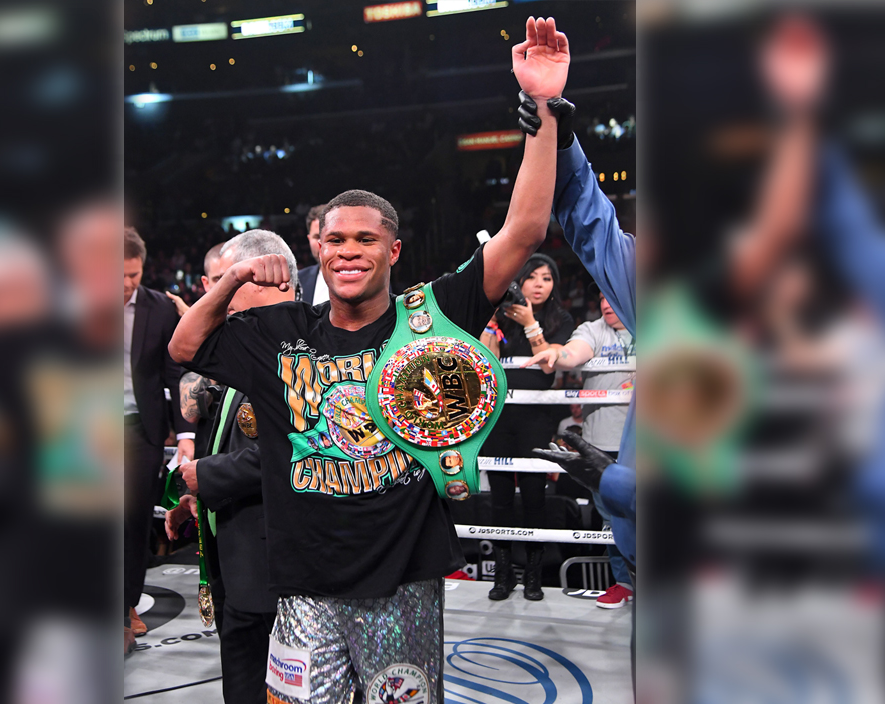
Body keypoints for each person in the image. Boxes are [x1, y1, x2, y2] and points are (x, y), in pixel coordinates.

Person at [168, 16, 570, 699]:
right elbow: (185, 346)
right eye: (335, 240)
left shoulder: (431, 314)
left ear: (393, 250)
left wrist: (545, 106)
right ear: (317, 250)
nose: (348, 250)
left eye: (365, 238)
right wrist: (232, 278)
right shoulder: (281, 331)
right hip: (301, 589)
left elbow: (525, 230)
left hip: (402, 582)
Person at [167, 231, 299, 704]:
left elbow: (301, 449)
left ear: (260, 277)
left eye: (227, 280)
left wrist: (209, 476)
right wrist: (196, 494)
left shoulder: (302, 347)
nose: (216, 293)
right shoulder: (247, 343)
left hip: (275, 559)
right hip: (235, 548)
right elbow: (225, 430)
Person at [527, 289, 634, 607]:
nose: (605, 304)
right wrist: (556, 354)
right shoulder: (593, 329)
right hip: (600, 446)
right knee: (611, 520)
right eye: (601, 297)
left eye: (612, 296)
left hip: (646, 443)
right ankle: (625, 583)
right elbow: (573, 353)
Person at [479, 253, 574, 601]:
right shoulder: (502, 316)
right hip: (498, 417)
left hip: (536, 418)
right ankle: (503, 574)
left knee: (535, 496)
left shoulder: (561, 319)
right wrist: (491, 321)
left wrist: (531, 323)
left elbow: (547, 368)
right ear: (520, 281)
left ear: (554, 285)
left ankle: (534, 576)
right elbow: (485, 363)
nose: (539, 285)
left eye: (546, 279)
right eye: (532, 277)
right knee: (500, 498)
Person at [124, 226, 196, 639]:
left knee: (133, 520)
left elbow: (176, 375)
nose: (124, 283)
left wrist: (184, 434)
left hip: (140, 430)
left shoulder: (160, 309)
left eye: (132, 274)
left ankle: (127, 603)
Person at [297, 204, 328, 305]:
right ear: (309, 239)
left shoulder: (362, 279)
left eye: (328, 237)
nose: (322, 243)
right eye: (317, 237)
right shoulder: (298, 281)